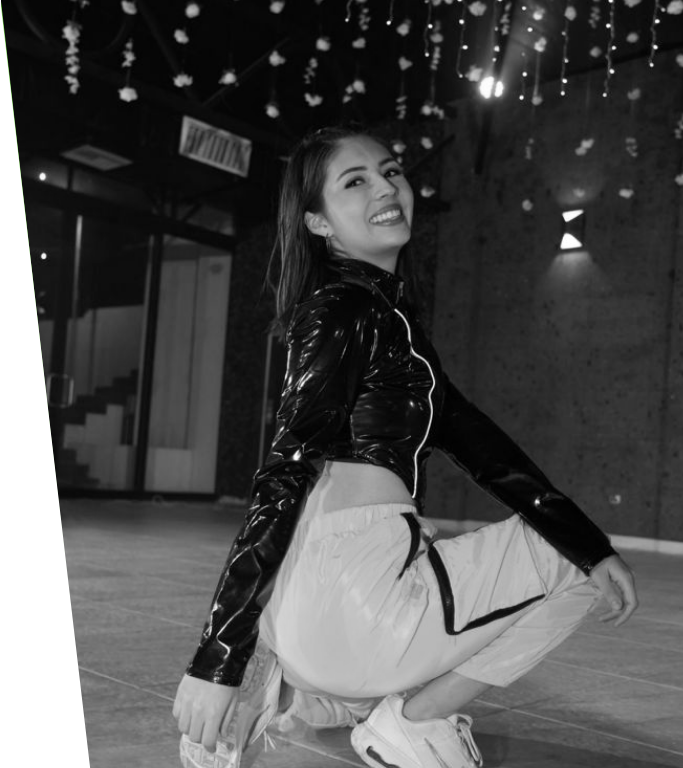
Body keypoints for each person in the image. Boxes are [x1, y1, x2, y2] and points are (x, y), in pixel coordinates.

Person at [173, 126, 638, 768]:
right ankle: (413, 723)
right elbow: (283, 471)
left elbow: (491, 455)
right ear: (318, 222)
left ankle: (292, 690)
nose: (386, 188)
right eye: (355, 181)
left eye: (391, 171)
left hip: (305, 603)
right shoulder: (344, 309)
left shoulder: (382, 322)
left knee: (552, 543)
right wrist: (217, 655)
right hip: (349, 597)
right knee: (571, 558)